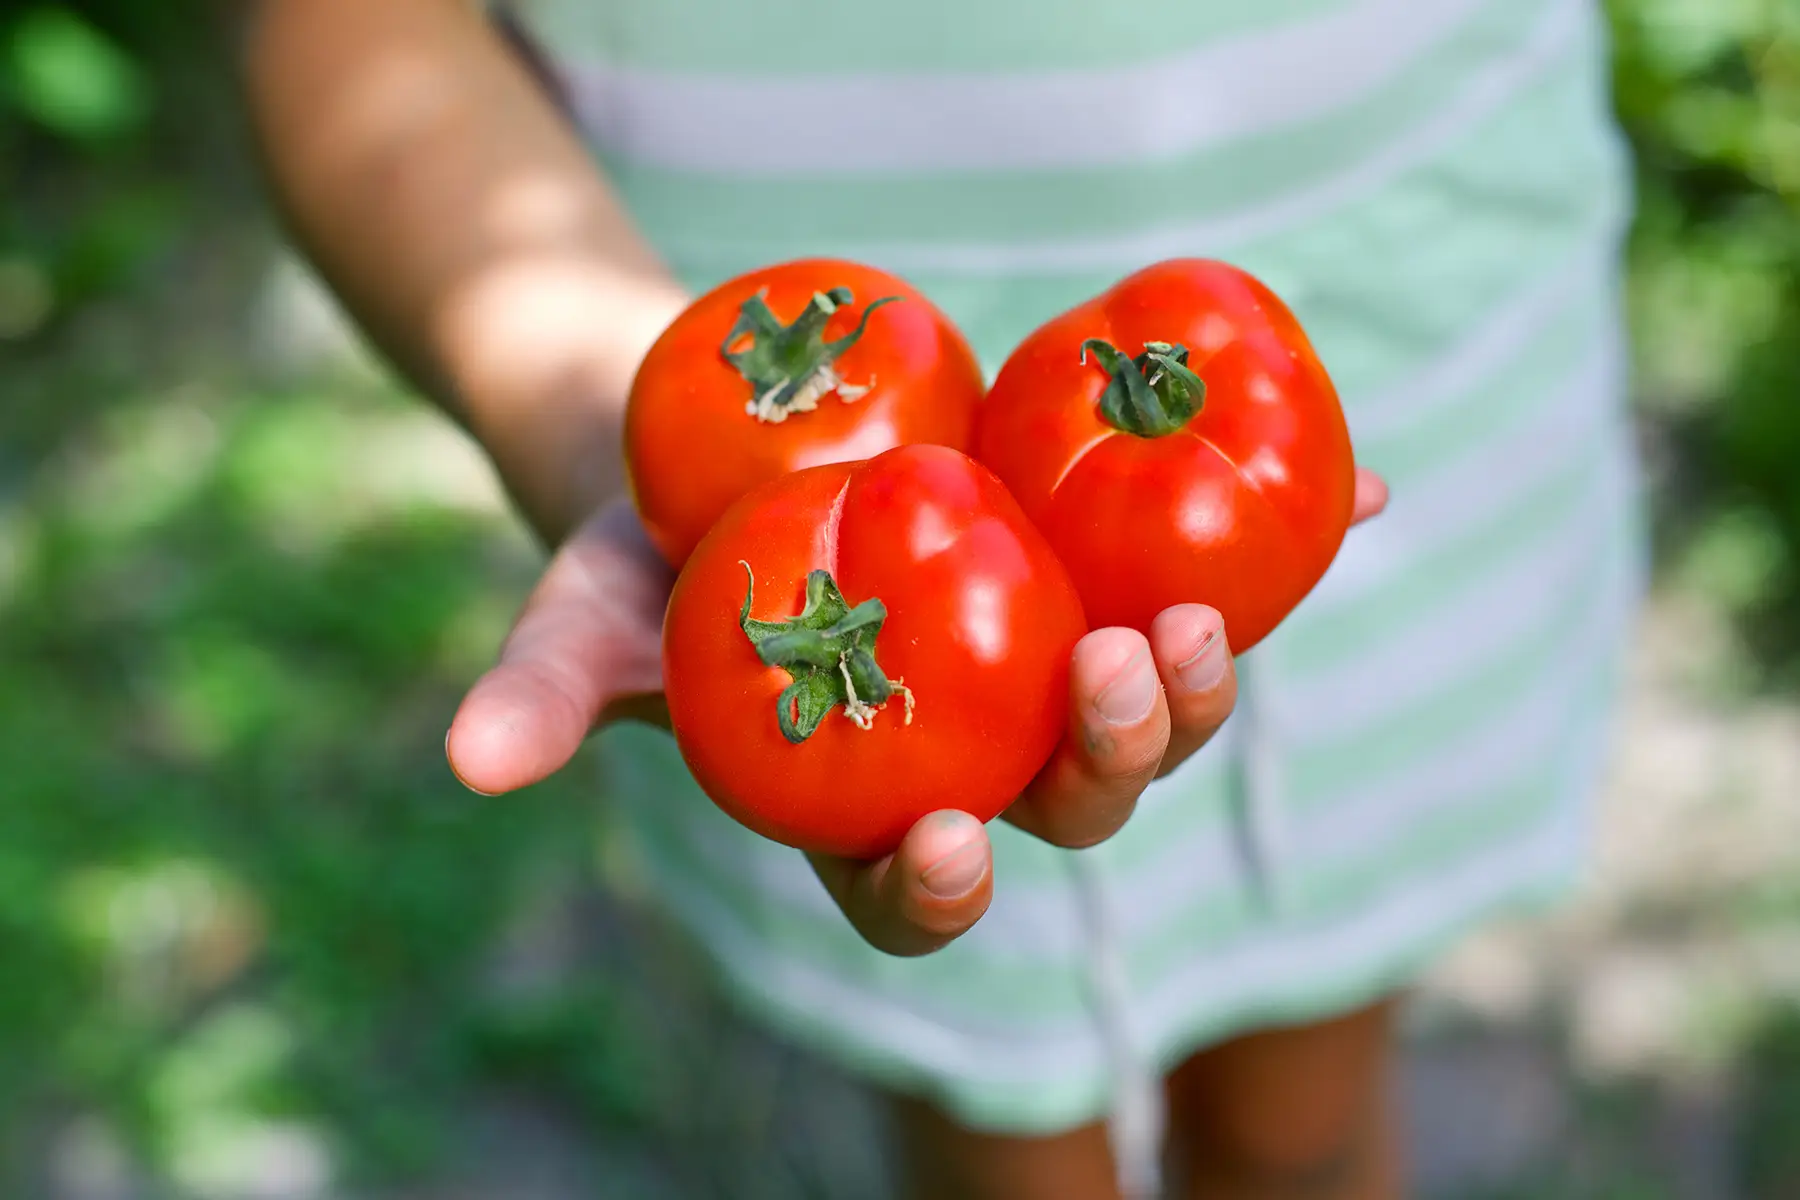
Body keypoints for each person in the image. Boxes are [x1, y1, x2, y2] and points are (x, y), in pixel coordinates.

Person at [238, 0, 1643, 1196]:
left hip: (1425, 328)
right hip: (706, 355)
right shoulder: (764, 504)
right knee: (994, 1130)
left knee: (1303, 1121)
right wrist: (585, 414)